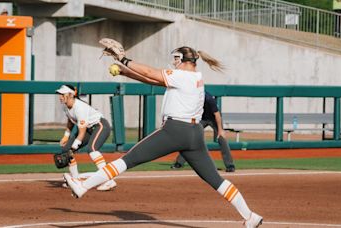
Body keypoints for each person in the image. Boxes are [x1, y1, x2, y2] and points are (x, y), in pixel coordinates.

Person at [64, 42, 263, 227]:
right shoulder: (196, 77)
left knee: (127, 159)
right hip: (194, 135)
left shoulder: (183, 76)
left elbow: (152, 72)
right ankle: (250, 216)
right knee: (216, 180)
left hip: (175, 130)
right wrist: (126, 72)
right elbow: (152, 79)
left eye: (177, 59)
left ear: (185, 60)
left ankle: (83, 186)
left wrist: (124, 59)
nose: (174, 62)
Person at [56, 84, 116, 191]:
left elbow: (81, 132)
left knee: (92, 149)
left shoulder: (79, 107)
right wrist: (66, 136)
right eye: (59, 94)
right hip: (88, 129)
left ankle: (109, 180)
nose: (60, 96)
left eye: (62, 94)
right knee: (66, 150)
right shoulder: (66, 106)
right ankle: (75, 179)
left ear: (70, 95)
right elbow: (70, 120)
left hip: (100, 125)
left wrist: (75, 145)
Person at [171, 91, 235, 172]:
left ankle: (230, 165)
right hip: (201, 119)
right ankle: (179, 162)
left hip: (214, 119)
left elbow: (217, 115)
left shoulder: (208, 98)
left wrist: (220, 130)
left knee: (222, 138)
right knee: (190, 137)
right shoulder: (192, 97)